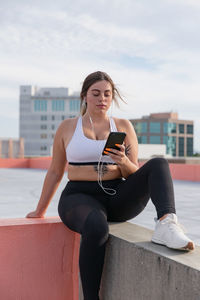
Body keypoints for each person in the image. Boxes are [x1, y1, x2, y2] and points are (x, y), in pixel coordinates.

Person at [26, 71, 195, 300]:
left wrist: (123, 161)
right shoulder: (67, 127)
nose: (102, 99)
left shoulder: (123, 126)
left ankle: (167, 224)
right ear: (85, 96)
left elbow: (135, 174)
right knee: (97, 227)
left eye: (107, 94)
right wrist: (40, 210)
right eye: (96, 94)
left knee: (158, 164)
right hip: (79, 196)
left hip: (116, 194)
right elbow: (56, 171)